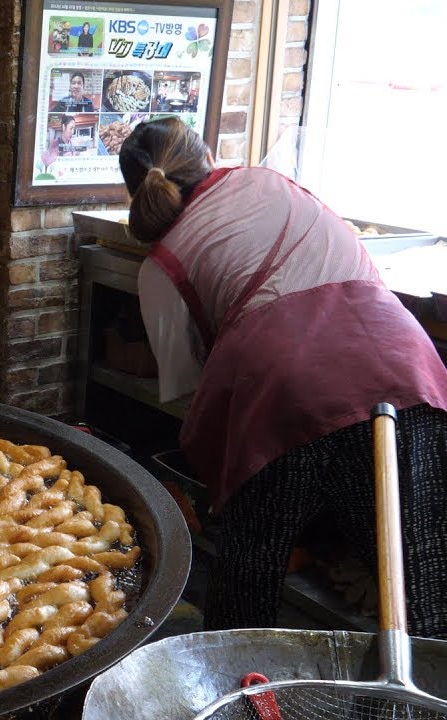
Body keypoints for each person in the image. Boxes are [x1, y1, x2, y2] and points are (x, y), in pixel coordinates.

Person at [118, 116, 447, 638]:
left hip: (281, 396)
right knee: (421, 581)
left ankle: (245, 697)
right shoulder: (272, 182)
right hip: (400, 365)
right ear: (205, 156)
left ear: (137, 193)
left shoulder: (161, 265)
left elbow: (183, 383)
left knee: (249, 579)